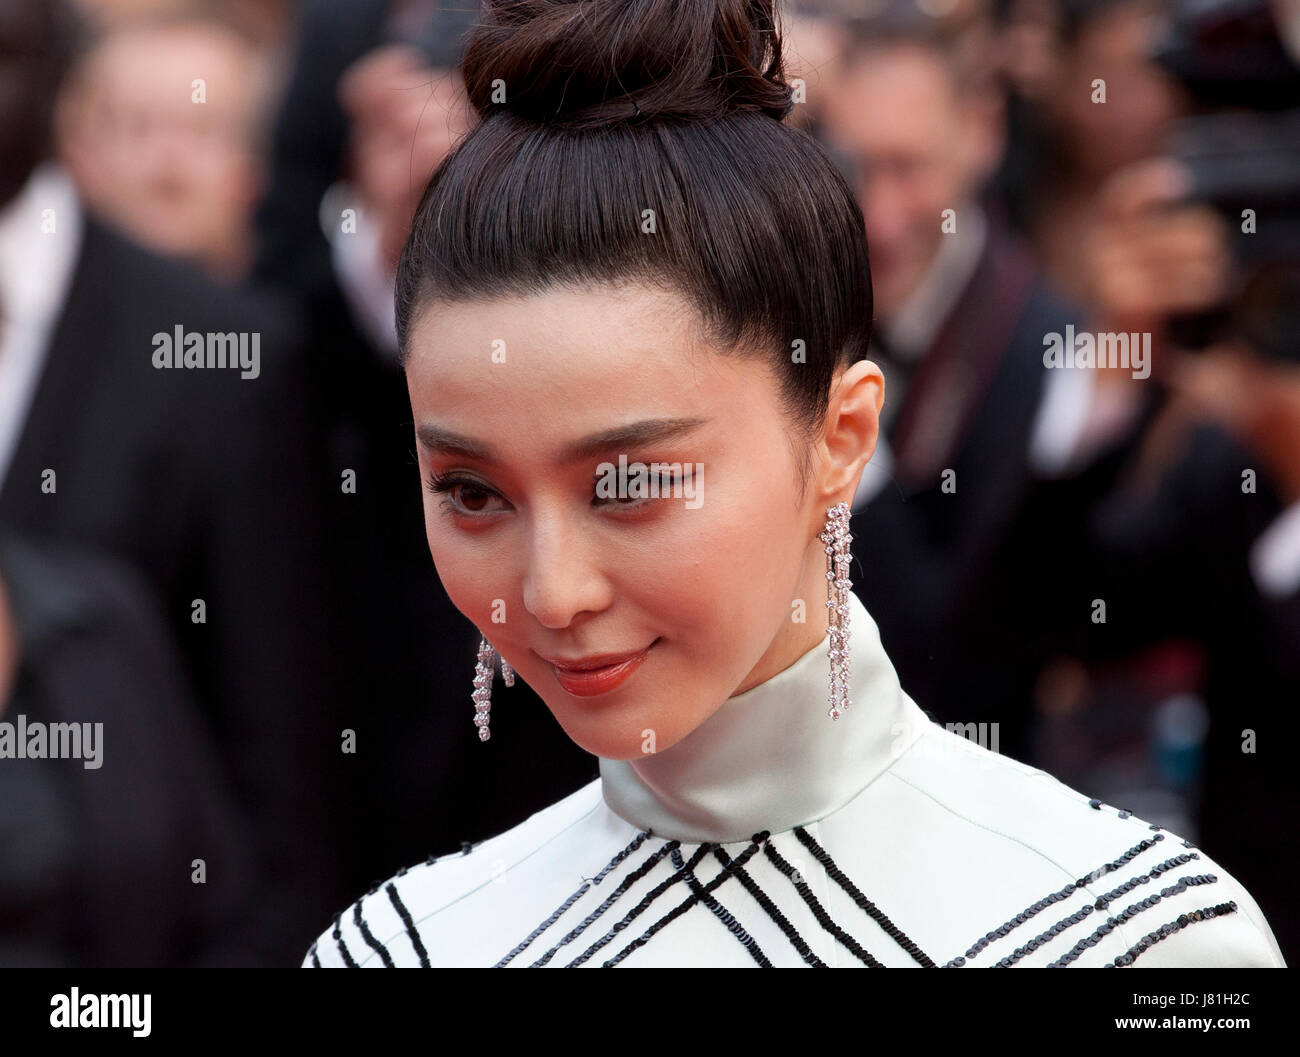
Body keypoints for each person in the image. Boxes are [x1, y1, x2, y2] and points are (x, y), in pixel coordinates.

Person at [304, 0, 1284, 968]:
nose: (553, 590)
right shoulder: (405, 946)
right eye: (474, 493)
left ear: (841, 436)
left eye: (629, 484)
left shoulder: (1139, 942)